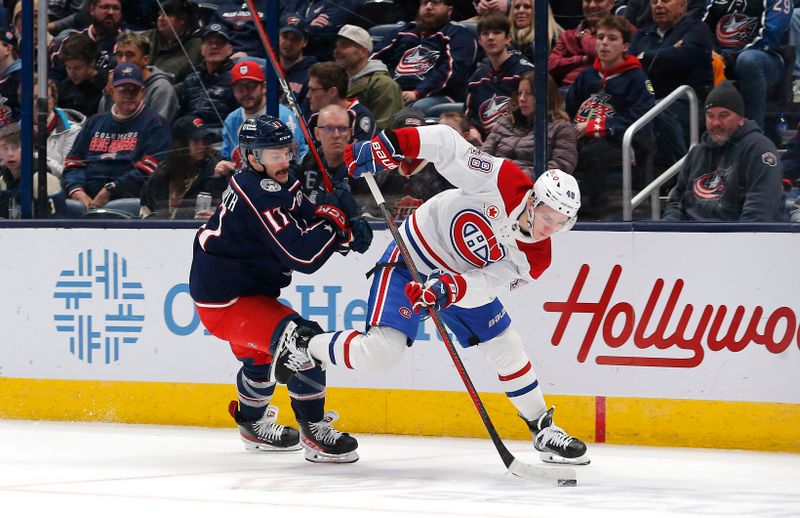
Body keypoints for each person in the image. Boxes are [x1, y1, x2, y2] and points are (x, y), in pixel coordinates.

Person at [272, 124, 590, 467]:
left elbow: (486, 284)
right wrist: (392, 144)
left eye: (560, 223)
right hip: (413, 256)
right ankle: (304, 344)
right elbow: (448, 145)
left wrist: (448, 289)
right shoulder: (504, 181)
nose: (549, 229)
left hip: (458, 283)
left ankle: (542, 429)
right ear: (532, 200)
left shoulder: (537, 258)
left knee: (506, 345)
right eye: (547, 217)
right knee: (381, 354)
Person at [188, 114, 372, 463]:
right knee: (304, 343)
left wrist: (341, 229)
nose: (284, 159)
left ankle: (253, 426)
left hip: (239, 294)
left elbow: (304, 212)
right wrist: (335, 225)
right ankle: (314, 432)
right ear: (252, 157)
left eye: (286, 150)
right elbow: (301, 255)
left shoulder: (270, 180)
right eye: (273, 154)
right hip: (228, 302)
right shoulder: (259, 192)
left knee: (260, 361)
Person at [565, 15, 655, 216]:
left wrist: (596, 127)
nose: (604, 43)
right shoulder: (587, 75)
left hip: (616, 143)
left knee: (591, 156)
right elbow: (567, 110)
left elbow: (641, 119)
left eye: (612, 38)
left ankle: (595, 215)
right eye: (600, 37)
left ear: (625, 46)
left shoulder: (637, 79)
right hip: (580, 138)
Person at [662, 80, 787, 222]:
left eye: (723, 115)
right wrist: (671, 230)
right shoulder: (696, 153)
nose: (716, 123)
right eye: (710, 116)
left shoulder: (759, 149)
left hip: (741, 239)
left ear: (740, 119)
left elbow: (760, 211)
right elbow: (676, 202)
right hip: (694, 239)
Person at [63, 62, 172, 207]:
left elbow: (151, 170)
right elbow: (73, 162)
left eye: (133, 90)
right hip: (86, 199)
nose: (128, 95)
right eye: (122, 89)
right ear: (111, 90)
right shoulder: (94, 122)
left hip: (129, 200)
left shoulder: (156, 124)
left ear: (142, 92)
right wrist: (77, 190)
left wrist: (111, 189)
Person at [628, 0, 713, 167]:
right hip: (651, 100)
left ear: (682, 5)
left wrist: (644, 56)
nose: (658, 5)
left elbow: (681, 57)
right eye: (654, 2)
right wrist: (667, 53)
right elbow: (630, 65)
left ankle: (685, 171)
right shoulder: (641, 35)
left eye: (666, 1)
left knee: (659, 111)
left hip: (691, 102)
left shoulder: (697, 29)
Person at [371, 0, 478, 112]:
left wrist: (418, 93)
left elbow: (453, 71)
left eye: (435, 3)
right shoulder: (403, 31)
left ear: (449, 10)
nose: (428, 7)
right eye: (424, 3)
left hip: (440, 95)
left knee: (417, 108)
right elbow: (374, 59)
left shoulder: (458, 33)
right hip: (397, 91)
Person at [703, 0, 791, 130]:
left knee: (748, 61)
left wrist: (732, 55)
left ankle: (753, 132)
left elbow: (771, 36)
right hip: (722, 55)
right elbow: (702, 26)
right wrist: (713, 52)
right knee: (697, 55)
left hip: (766, 57)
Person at [216, 60, 308, 176]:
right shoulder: (231, 120)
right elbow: (227, 158)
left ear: (264, 87)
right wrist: (222, 168)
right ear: (233, 91)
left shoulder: (283, 117)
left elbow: (294, 164)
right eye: (240, 88)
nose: (245, 93)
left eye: (251, 87)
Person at [483, 72, 578, 179]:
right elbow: (484, 155)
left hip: (531, 187)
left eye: (529, 93)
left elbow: (562, 165)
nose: (522, 99)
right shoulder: (504, 122)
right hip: (494, 181)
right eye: (520, 93)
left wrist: (521, 177)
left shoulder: (561, 128)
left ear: (546, 96)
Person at [139, 116, 226, 219]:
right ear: (181, 144)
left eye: (205, 140)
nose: (202, 146)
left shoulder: (216, 169)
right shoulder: (162, 173)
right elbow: (147, 209)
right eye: (196, 141)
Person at [466, 12, 534, 144]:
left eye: (497, 32)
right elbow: (468, 116)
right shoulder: (476, 79)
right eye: (485, 34)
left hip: (521, 143)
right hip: (485, 147)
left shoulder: (526, 73)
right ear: (480, 41)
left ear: (508, 38)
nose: (491, 37)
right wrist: (471, 129)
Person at [97, 31, 179, 123]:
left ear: (145, 60)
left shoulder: (161, 89)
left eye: (130, 55)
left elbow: (156, 129)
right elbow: (101, 124)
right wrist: (109, 95)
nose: (123, 60)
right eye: (119, 55)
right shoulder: (115, 83)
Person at [334, 24, 404, 131]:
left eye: (344, 46)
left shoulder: (383, 84)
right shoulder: (336, 81)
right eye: (336, 46)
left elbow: (385, 129)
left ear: (363, 52)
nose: (337, 51)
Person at [177, 24, 238, 135]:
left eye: (219, 43)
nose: (214, 46)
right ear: (202, 49)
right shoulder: (191, 78)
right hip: (194, 131)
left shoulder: (237, 78)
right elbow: (184, 114)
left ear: (229, 49)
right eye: (209, 43)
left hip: (224, 134)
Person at [0, 122, 66, 218]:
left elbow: (56, 224)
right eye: (4, 148)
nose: (10, 153)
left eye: (16, 147)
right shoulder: (2, 181)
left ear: (31, 149)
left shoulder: (45, 180)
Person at [548, 0, 613, 89]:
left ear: (611, 3)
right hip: (567, 91)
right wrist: (582, 59)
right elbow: (551, 65)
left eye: (598, 0)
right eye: (587, 1)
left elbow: (600, 53)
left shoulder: (621, 31)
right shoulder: (568, 35)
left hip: (602, 93)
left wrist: (584, 37)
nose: (592, 5)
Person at [307, 61, 376, 144]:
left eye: (313, 90)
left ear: (332, 92)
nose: (308, 95)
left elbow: (360, 154)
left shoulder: (360, 117)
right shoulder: (315, 119)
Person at [145, 0, 202, 85]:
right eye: (159, 14)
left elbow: (191, 83)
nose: (160, 18)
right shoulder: (147, 37)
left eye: (167, 15)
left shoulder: (197, 46)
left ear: (182, 19)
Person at [56, 32, 107, 117]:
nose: (72, 73)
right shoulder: (62, 88)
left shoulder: (105, 86)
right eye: (68, 67)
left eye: (77, 68)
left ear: (92, 63)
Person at [279, 14, 316, 118]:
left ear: (304, 42)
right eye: (285, 37)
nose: (288, 43)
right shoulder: (268, 69)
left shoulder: (311, 74)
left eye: (295, 39)